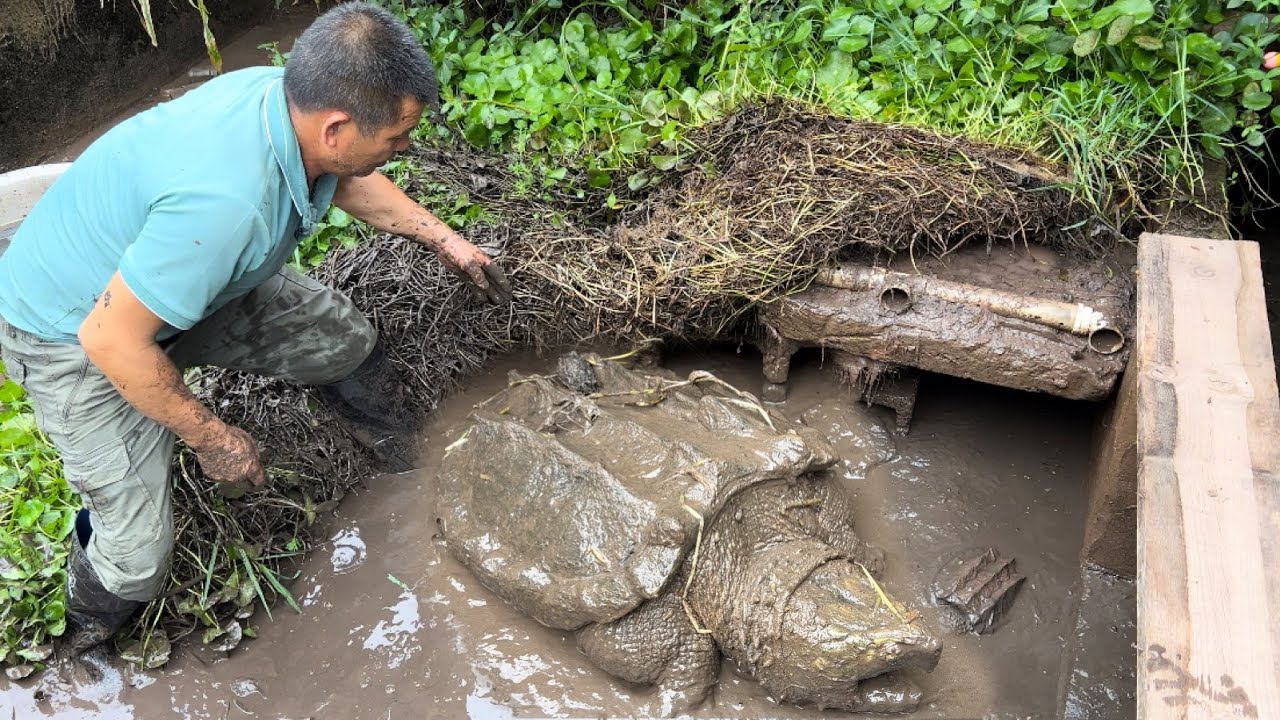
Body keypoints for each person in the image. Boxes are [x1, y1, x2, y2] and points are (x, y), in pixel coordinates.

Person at [0, 2, 511, 653]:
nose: (404, 148)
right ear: (337, 126)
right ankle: (80, 640)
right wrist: (213, 437)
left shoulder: (282, 104)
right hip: (75, 335)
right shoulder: (228, 208)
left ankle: (400, 460)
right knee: (136, 555)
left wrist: (445, 240)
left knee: (344, 343)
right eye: (397, 137)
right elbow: (110, 340)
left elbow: (345, 175)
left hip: (171, 278)